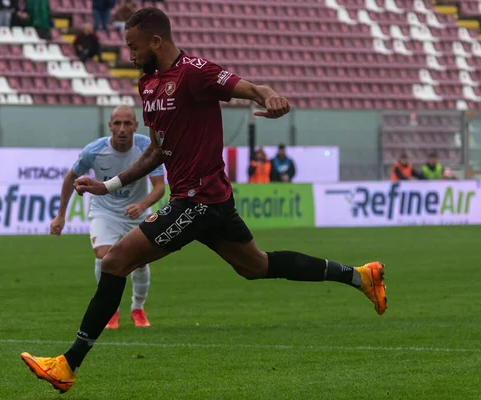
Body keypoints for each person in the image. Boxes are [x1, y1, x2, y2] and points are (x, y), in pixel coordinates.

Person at [21, 8, 387, 394]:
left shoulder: (195, 72)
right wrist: (107, 185)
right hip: (207, 203)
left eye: (133, 46)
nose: (128, 54)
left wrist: (272, 97)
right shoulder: (148, 84)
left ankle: (68, 364)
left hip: (198, 201)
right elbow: (157, 152)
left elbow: (253, 89)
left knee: (114, 262)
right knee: (257, 266)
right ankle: (361, 276)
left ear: (156, 42)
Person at [51, 105, 165, 329]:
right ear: (110, 125)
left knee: (139, 263)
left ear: (135, 125)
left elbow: (160, 187)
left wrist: (142, 205)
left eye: (127, 123)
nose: (122, 129)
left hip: (137, 212)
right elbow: (70, 178)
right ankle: (110, 310)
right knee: (104, 257)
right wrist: (60, 216)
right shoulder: (93, 151)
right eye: (118, 123)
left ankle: (137, 308)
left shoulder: (147, 148)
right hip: (105, 211)